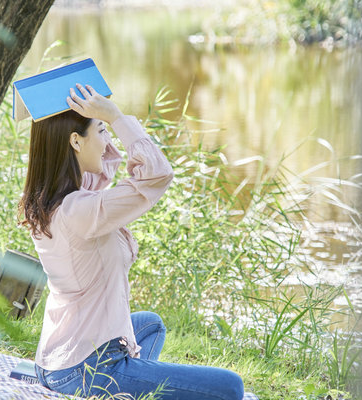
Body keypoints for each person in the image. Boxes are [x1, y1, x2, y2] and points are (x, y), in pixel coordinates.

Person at [18, 83, 244, 400]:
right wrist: (115, 117)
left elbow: (102, 169)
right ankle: (124, 386)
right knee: (231, 388)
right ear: (75, 141)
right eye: (101, 131)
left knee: (150, 325)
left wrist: (96, 121)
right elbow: (155, 175)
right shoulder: (80, 210)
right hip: (89, 370)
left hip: (57, 359)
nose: (108, 139)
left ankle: (131, 388)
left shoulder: (51, 201)